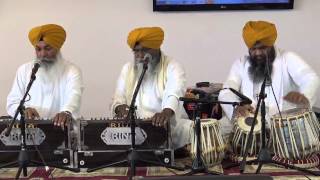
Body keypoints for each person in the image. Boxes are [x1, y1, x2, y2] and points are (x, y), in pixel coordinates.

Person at [218, 20, 320, 131]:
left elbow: (311, 79)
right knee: (219, 128)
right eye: (253, 49)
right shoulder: (241, 64)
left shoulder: (288, 58)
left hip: (284, 123)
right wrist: (236, 107)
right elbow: (227, 90)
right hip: (251, 122)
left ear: (271, 45)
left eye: (262, 48)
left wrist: (303, 99)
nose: (257, 53)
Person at [111, 26, 191, 149]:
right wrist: (120, 107)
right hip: (135, 134)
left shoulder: (173, 66)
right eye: (136, 51)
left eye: (144, 50)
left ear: (156, 48)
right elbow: (118, 97)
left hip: (168, 131)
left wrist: (166, 112)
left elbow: (174, 93)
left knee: (192, 131)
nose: (140, 55)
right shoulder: (127, 69)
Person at [7, 24, 84, 127]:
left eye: (48, 48)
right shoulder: (24, 70)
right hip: (31, 134)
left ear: (57, 48)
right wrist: (24, 111)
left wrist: (66, 112)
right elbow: (12, 102)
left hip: (60, 132)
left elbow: (74, 96)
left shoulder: (72, 71)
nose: (42, 54)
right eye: (38, 49)